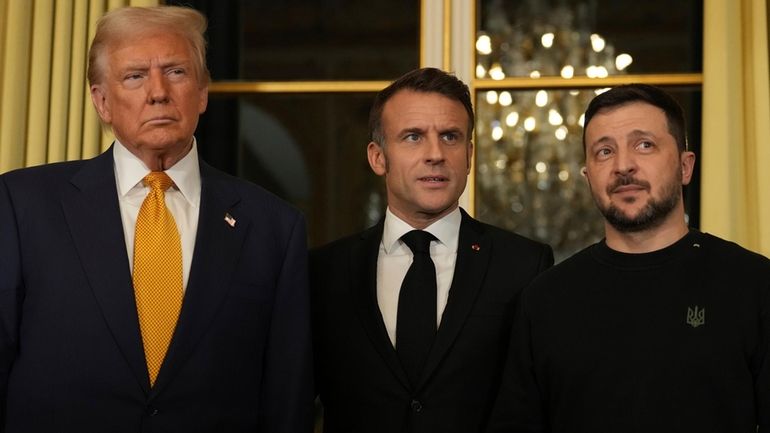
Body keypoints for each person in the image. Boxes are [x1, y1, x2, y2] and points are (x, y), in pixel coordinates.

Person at [0, 6, 312, 432]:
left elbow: (286, 400)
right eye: (135, 76)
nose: (158, 92)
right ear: (102, 101)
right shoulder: (22, 205)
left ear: (202, 92)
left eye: (176, 72)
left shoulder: (274, 227)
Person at [487, 84, 770, 433]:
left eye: (644, 145)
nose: (623, 165)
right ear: (588, 176)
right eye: (604, 151)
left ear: (685, 166)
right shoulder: (545, 300)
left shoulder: (753, 284)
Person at [310, 67, 554, 433]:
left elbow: (538, 404)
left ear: (469, 155)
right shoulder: (322, 272)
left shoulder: (523, 264)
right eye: (413, 137)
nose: (435, 154)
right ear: (378, 157)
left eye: (450, 137)